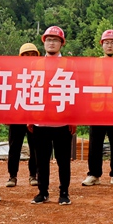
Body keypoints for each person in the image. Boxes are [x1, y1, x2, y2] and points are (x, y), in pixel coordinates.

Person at [31, 26, 76, 205]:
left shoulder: (69, 64)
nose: (51, 43)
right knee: (41, 160)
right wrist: (30, 117)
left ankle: (64, 192)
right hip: (40, 121)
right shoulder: (36, 64)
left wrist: (73, 118)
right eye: (49, 40)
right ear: (44, 42)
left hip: (62, 122)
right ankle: (42, 192)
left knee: (63, 161)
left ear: (61, 43)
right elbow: (31, 91)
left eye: (55, 40)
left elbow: (75, 92)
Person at [82, 29, 113, 188]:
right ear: (102, 44)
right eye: (106, 42)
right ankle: (94, 174)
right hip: (97, 110)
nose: (109, 45)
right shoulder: (94, 63)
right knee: (95, 144)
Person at [6, 43, 40, 188]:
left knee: (35, 147)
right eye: (26, 55)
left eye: (32, 55)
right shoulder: (14, 73)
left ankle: (33, 175)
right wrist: (7, 115)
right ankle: (12, 176)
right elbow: (8, 94)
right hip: (17, 116)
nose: (29, 57)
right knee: (14, 147)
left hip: (34, 116)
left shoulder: (40, 73)